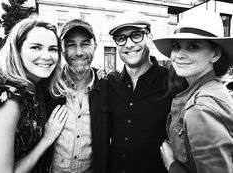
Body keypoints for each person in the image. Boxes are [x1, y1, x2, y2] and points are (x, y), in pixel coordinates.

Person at [153, 11, 233, 173]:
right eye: (176, 46)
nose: (180, 55)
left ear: (215, 54)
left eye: (193, 46)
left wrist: (172, 164)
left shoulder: (201, 108)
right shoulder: (212, 89)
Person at [0, 16, 69, 173]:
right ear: (17, 50)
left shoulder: (36, 87)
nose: (46, 56)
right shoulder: (9, 99)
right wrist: (47, 138)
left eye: (53, 49)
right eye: (36, 47)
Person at [108, 11, 172, 173]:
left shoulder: (172, 83)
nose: (128, 44)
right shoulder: (109, 83)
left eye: (136, 35)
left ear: (149, 36)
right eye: (121, 38)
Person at [45, 19, 110, 173]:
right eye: (71, 45)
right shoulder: (48, 87)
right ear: (62, 50)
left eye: (85, 43)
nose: (79, 52)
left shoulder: (107, 88)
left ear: (95, 46)